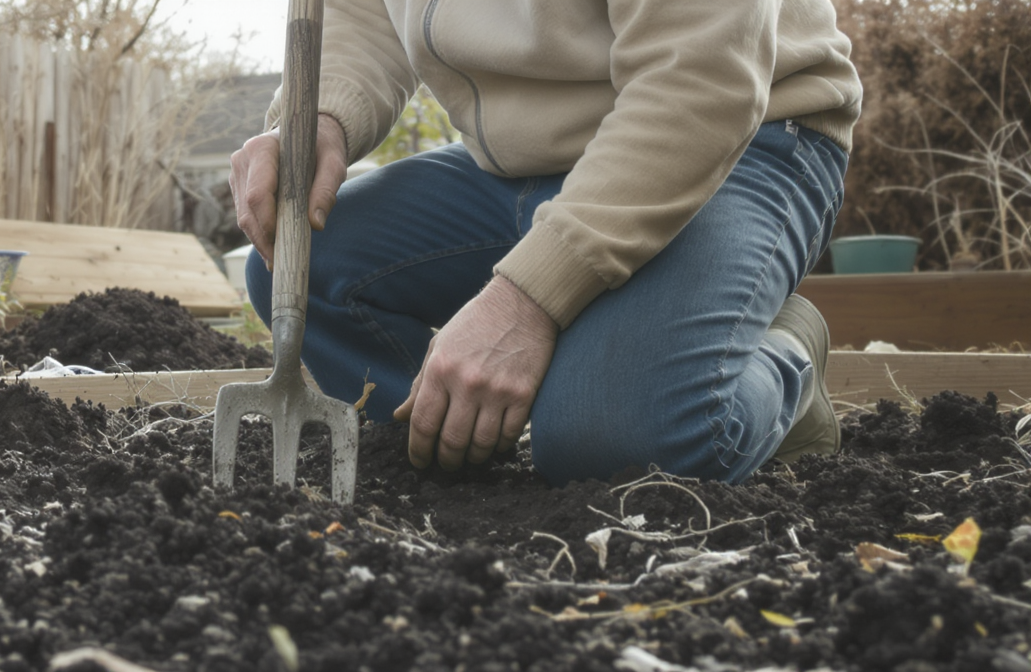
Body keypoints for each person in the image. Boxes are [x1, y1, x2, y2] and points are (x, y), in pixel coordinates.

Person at [230, 1, 863, 485]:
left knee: (615, 445)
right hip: (524, 162)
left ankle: (781, 352)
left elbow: (701, 76)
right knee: (302, 259)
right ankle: (453, 445)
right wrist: (325, 115)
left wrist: (525, 300)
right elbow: (360, 12)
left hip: (736, 138)